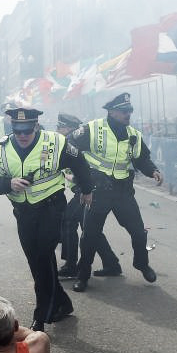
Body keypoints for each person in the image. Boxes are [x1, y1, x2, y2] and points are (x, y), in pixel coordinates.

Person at [0, 107, 94, 332]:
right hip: (24, 213)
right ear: (13, 128)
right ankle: (63, 303)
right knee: (37, 262)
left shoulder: (55, 142)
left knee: (42, 256)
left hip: (52, 207)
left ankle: (42, 316)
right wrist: (7, 183)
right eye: (18, 130)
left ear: (36, 126)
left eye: (27, 130)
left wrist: (87, 189)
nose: (22, 135)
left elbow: (79, 162)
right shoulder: (2, 150)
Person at [70, 93, 163, 293]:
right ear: (111, 112)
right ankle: (83, 275)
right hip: (98, 191)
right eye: (123, 111)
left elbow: (141, 159)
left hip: (123, 192)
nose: (128, 114)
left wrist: (153, 170)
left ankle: (141, 264)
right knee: (90, 237)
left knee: (139, 232)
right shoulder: (92, 128)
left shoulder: (133, 135)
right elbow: (70, 149)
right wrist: (82, 180)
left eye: (129, 110)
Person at [55, 113, 120, 278]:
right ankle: (112, 263)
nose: (58, 130)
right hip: (85, 189)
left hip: (89, 190)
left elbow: (86, 169)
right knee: (90, 229)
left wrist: (72, 178)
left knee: (69, 220)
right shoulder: (68, 143)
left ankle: (71, 266)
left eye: (61, 127)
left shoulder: (78, 145)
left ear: (69, 128)